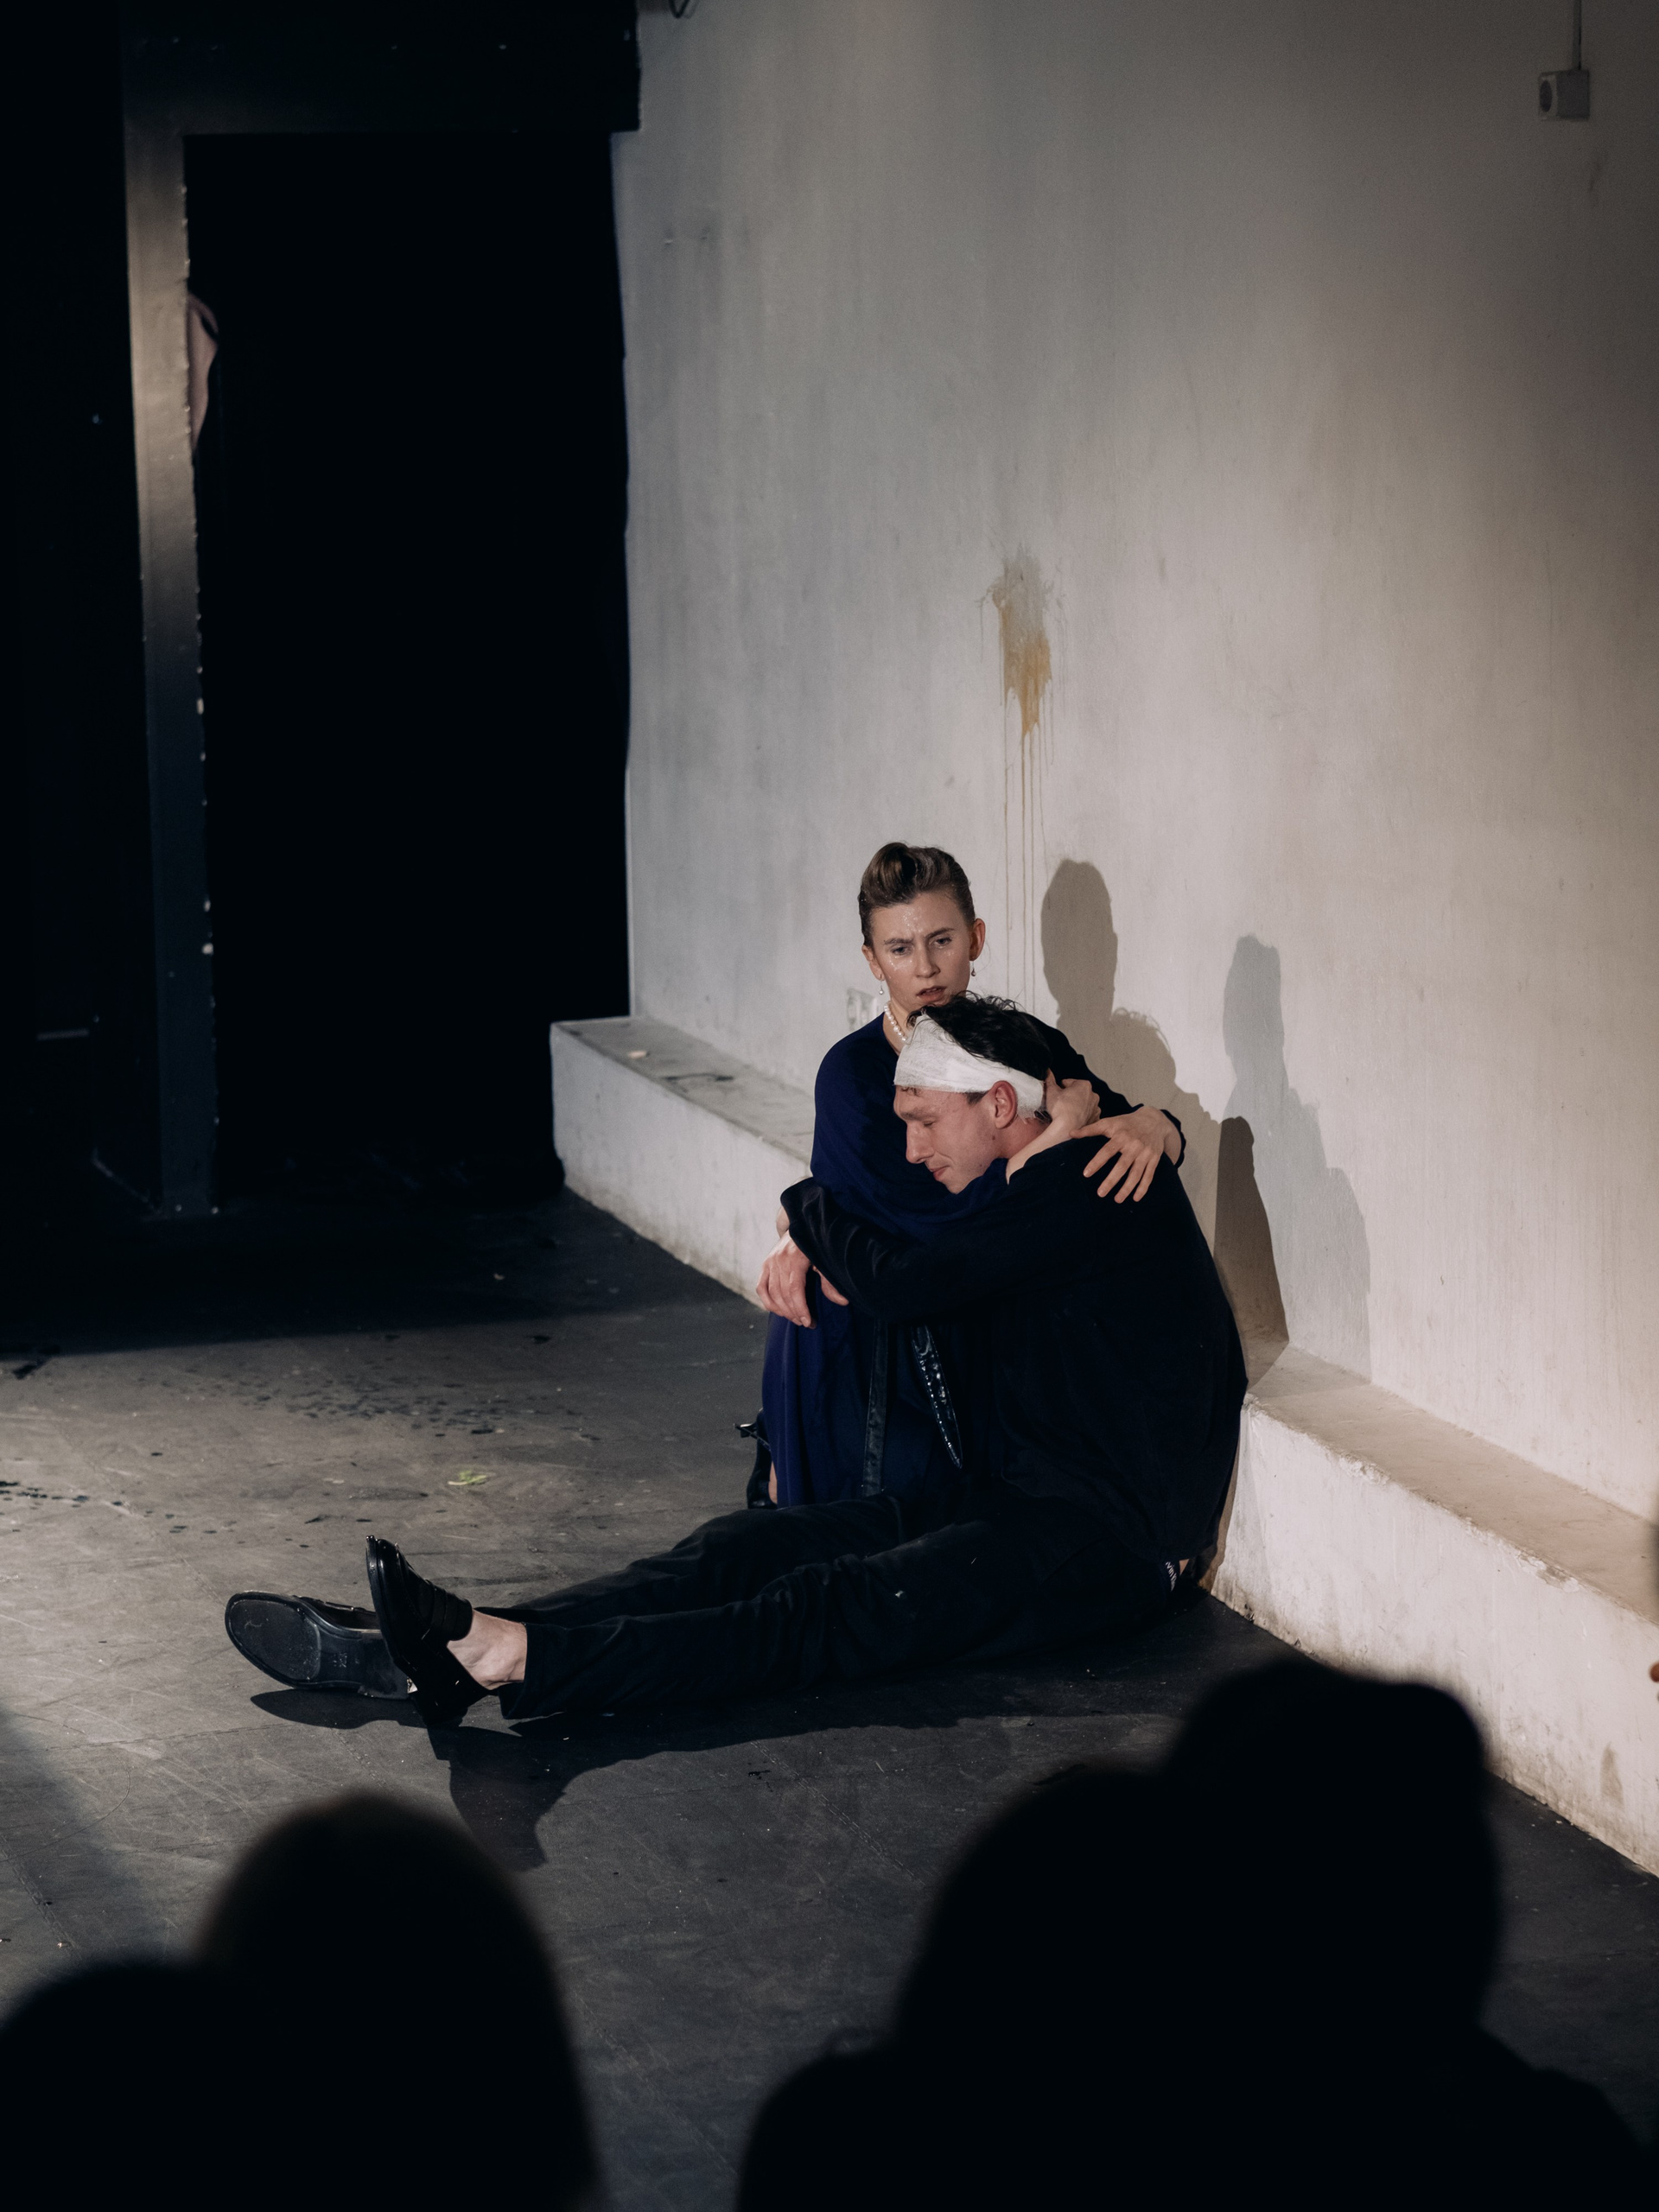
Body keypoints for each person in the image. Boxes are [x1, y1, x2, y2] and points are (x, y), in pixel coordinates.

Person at [226, 994, 1243, 1725]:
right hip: (1009, 1495)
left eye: (925, 1122)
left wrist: (805, 1205)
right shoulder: (1045, 1166)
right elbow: (959, 1230)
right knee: (743, 1550)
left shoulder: (1096, 1178)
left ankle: (513, 1656)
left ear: (1000, 1105)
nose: (913, 1149)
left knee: (826, 1610)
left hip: (1107, 1543)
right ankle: (466, 1644)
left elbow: (905, 1282)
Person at [753, 841, 1182, 1505]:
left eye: (942, 940)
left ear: (975, 939)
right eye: (900, 949)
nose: (925, 968)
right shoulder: (852, 1073)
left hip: (984, 1322)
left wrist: (1160, 1125)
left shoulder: (1021, 1043)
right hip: (881, 1340)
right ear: (873, 961)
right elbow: (930, 1230)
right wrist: (1051, 1146)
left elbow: (1111, 1140)